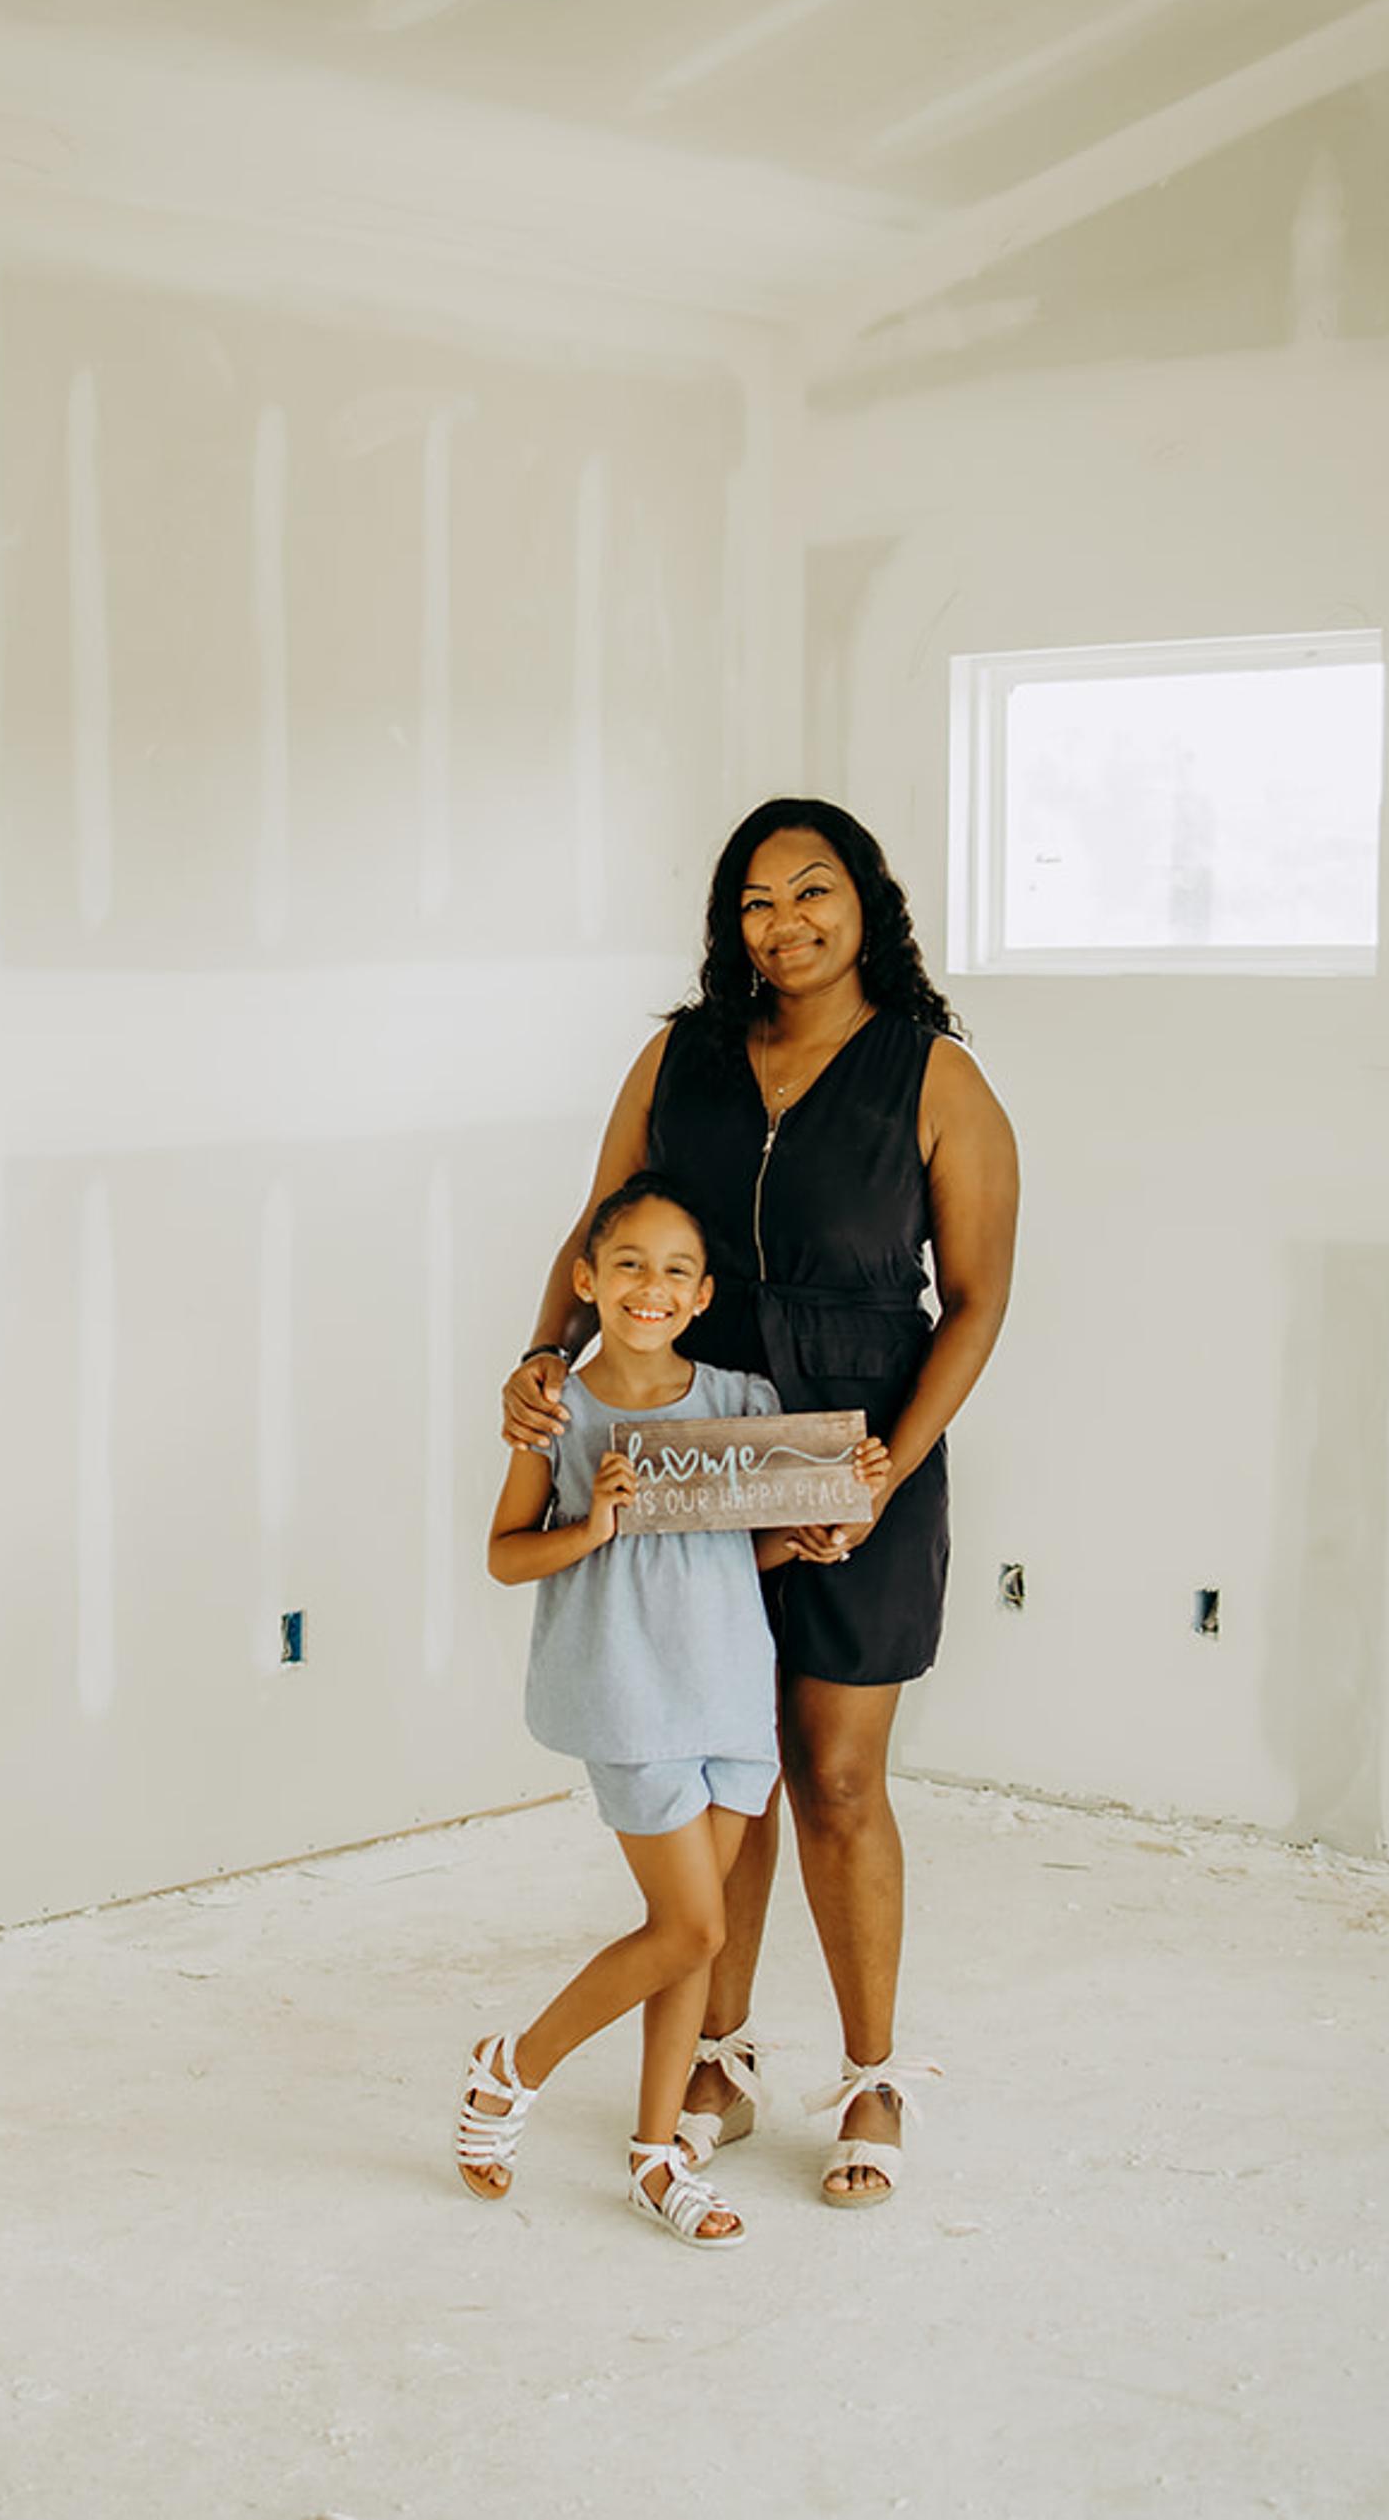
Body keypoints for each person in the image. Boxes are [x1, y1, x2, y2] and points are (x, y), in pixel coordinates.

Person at [502, 799, 1019, 2209]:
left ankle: (871, 2079)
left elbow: (975, 1300)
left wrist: (888, 1468)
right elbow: (598, 1223)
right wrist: (546, 1357)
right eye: (754, 902)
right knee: (725, 1771)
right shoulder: (680, 1055)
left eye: (813, 892)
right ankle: (715, 2057)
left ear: (869, 903)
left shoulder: (935, 1078)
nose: (783, 924)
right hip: (697, 1450)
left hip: (861, 1443)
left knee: (839, 1776)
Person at [453, 1174, 890, 2248]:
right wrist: (593, 1523)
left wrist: (830, 1518)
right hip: (629, 1697)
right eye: (632, 1264)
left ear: (702, 1296)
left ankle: (657, 2156)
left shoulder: (739, 1402)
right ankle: (514, 2066)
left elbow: (752, 1542)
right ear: (587, 1279)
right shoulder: (555, 1411)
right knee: (692, 1921)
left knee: (691, 1943)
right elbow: (506, 1555)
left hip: (733, 1694)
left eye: (677, 1270)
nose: (653, 1286)